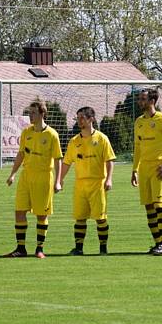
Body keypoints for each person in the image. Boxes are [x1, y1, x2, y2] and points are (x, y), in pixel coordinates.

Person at [4, 100, 63, 259]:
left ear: (42, 114)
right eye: (29, 112)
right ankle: (20, 248)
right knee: (19, 211)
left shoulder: (52, 135)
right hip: (26, 176)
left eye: (33, 113)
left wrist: (58, 181)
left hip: (43, 177)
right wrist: (13, 174)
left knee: (41, 215)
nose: (30, 115)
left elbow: (58, 159)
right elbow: (21, 154)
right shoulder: (26, 132)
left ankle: (39, 248)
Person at [57, 107, 115, 256]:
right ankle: (78, 248)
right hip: (80, 184)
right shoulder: (74, 141)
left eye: (82, 118)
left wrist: (109, 179)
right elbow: (66, 162)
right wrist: (59, 180)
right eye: (78, 118)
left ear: (91, 119)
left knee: (100, 218)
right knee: (80, 217)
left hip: (98, 184)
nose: (79, 121)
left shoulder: (102, 139)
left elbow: (109, 160)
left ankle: (103, 249)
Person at [131, 88, 162, 256]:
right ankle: (157, 243)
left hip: (159, 167)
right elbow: (137, 147)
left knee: (159, 204)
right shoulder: (139, 122)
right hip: (144, 168)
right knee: (149, 206)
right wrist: (134, 169)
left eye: (143, 99)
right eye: (139, 99)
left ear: (152, 101)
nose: (139, 102)